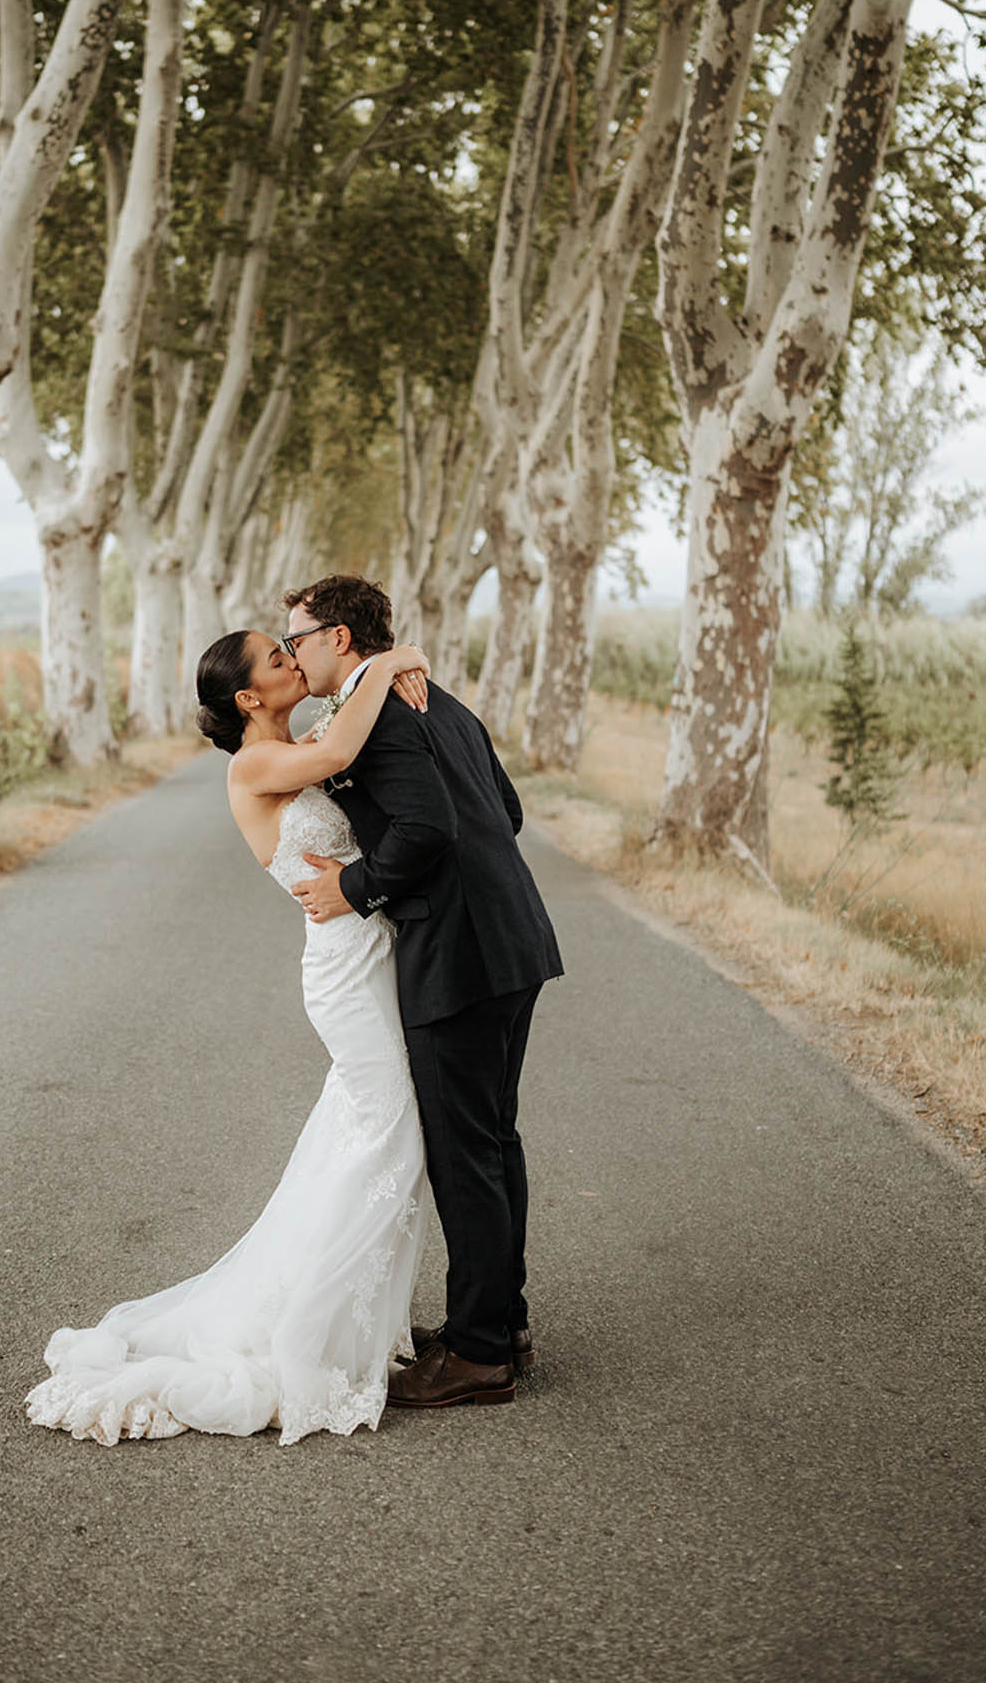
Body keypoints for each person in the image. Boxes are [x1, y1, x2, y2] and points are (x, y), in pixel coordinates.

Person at [25, 629, 435, 1447]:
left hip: (373, 950)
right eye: (278, 660)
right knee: (388, 1132)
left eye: (293, 648)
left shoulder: (297, 741)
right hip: (343, 970)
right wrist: (387, 662)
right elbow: (341, 749)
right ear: (248, 697)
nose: (293, 662)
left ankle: (346, 1319)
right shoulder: (253, 766)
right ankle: (307, 1327)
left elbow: (345, 757)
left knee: (375, 1132)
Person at [282, 573, 563, 1410]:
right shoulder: (434, 699)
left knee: (465, 1150)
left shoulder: (376, 721)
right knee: (494, 1140)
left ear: (340, 637)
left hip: (460, 956)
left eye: (297, 638)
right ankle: (498, 1320)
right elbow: (503, 811)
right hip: (513, 941)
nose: (293, 652)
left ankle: (480, 1354)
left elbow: (429, 829)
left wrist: (358, 885)